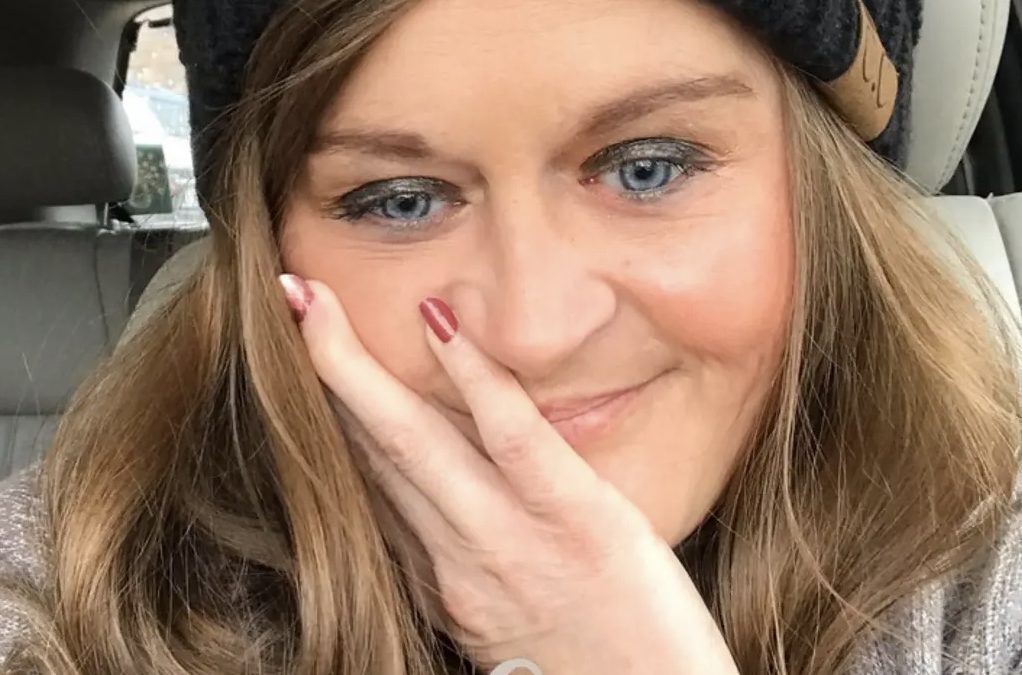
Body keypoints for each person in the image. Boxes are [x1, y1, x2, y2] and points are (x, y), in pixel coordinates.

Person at [1, 0, 1020, 672]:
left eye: (648, 168)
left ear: (829, 198)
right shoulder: (83, 581)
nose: (534, 334)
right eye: (399, 200)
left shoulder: (986, 574)